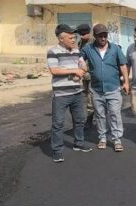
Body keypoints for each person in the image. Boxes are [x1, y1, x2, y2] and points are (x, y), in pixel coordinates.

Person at [80, 23, 130, 152]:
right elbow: (79, 58)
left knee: (115, 114)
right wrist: (81, 66)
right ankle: (102, 138)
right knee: (100, 115)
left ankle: (117, 139)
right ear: (95, 36)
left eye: (105, 35)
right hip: (96, 90)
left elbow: (123, 65)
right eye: (100, 36)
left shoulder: (115, 49)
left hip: (113, 88)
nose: (103, 38)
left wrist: (126, 82)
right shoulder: (88, 49)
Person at [47, 24, 92, 163]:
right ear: (61, 39)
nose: (73, 40)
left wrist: (82, 72)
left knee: (79, 120)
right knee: (58, 124)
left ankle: (79, 144)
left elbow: (83, 66)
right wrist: (73, 71)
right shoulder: (53, 51)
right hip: (61, 95)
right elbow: (54, 70)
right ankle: (57, 151)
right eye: (70, 38)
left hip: (77, 93)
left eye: (74, 37)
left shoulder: (76, 51)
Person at [76, 23, 94, 128]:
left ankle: (90, 119)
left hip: (93, 75)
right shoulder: (80, 43)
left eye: (83, 34)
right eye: (80, 34)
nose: (81, 36)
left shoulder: (94, 43)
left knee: (91, 98)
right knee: (87, 95)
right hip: (85, 76)